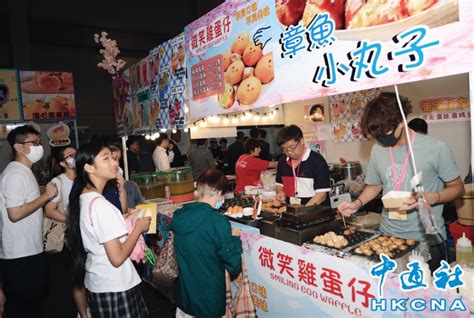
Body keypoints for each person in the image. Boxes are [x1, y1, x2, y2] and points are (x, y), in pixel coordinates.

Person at [338, 92, 464, 273]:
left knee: (424, 298)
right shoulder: (378, 150)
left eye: (386, 132)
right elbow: (375, 185)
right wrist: (356, 203)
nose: (382, 138)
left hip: (428, 239)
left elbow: (457, 188)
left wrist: (434, 197)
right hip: (388, 236)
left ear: (401, 121)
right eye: (377, 134)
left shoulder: (436, 148)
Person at [67, 141, 150, 317]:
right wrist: (138, 228)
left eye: (114, 158)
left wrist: (123, 219)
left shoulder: (86, 197)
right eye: (106, 159)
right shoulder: (100, 205)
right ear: (89, 168)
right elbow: (117, 258)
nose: (114, 163)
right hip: (114, 283)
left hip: (101, 280)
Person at [0, 125, 57, 317]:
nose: (39, 146)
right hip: (20, 256)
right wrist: (46, 196)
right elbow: (14, 213)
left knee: (34, 304)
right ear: (19, 147)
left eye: (39, 142)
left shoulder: (24, 172)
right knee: (22, 308)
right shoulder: (15, 174)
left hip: (30, 251)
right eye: (33, 142)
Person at [171, 169, 242, 317]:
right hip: (209, 300)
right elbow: (234, 264)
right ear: (218, 194)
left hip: (184, 296)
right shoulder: (217, 221)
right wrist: (234, 238)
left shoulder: (179, 215)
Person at [45, 146, 90, 318]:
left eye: (77, 153)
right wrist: (71, 220)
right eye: (71, 155)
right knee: (77, 278)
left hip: (86, 234)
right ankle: (83, 314)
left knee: (88, 276)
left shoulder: (84, 178)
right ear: (63, 163)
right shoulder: (58, 182)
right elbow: (49, 210)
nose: (76, 157)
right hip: (70, 238)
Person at [275, 125, 331, 206]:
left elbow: (321, 195)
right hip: (292, 211)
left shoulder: (317, 161)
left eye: (292, 147)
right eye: (284, 149)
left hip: (316, 213)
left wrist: (303, 211)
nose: (289, 152)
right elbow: (279, 184)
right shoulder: (282, 162)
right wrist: (280, 192)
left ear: (301, 141)